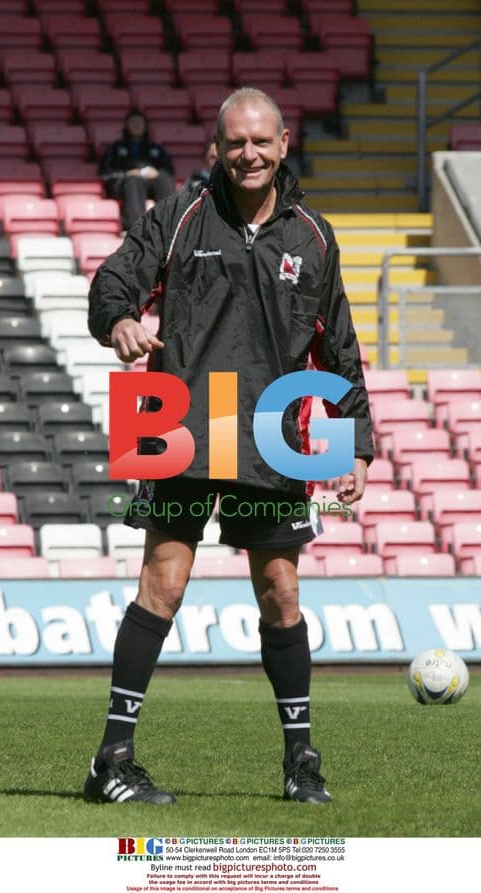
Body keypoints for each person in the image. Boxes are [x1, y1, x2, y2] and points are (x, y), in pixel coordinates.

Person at [86, 88, 373, 806]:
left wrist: (354, 443)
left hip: (271, 426)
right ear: (218, 148)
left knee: (281, 593)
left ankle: (301, 761)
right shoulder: (181, 213)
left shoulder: (314, 234)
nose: (249, 154)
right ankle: (111, 761)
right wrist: (119, 319)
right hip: (179, 412)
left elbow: (337, 345)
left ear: (283, 145)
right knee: (164, 582)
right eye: (235, 142)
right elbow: (114, 278)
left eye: (261, 142)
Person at [99, 108, 175, 230]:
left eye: (140, 122)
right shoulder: (115, 148)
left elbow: (168, 170)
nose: (136, 125)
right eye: (133, 122)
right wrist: (127, 174)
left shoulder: (156, 148)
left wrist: (156, 173)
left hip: (150, 183)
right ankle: (136, 229)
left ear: (145, 126)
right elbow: (106, 173)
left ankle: (168, 225)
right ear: (126, 125)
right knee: (134, 180)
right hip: (125, 184)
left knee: (165, 179)